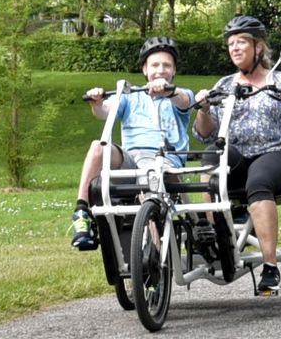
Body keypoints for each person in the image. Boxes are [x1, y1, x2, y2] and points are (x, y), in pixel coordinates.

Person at [194, 15, 281, 295]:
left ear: (259, 48)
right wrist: (204, 108)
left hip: (278, 152)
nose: (235, 48)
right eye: (231, 44)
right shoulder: (223, 85)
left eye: (242, 43)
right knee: (211, 158)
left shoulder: (279, 79)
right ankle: (218, 239)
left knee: (257, 183)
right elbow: (204, 133)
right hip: (236, 154)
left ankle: (270, 267)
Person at [70, 37, 198, 250]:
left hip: (164, 162)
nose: (161, 69)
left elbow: (184, 100)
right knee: (98, 147)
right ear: (145, 70)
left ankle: (155, 254)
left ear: (174, 70)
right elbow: (104, 113)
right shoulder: (131, 97)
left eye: (167, 65)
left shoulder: (180, 95)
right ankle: (82, 212)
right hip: (131, 160)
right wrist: (97, 103)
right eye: (155, 65)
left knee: (149, 177)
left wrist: (169, 90)